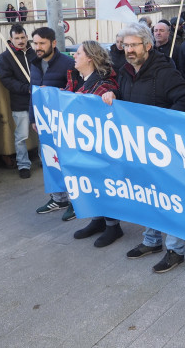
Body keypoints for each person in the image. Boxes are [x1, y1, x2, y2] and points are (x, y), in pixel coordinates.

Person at [102, 22, 185, 273]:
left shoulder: (165, 72)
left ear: (148, 45)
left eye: (134, 45)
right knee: (146, 196)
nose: (129, 50)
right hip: (137, 148)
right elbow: (125, 97)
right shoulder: (124, 70)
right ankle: (152, 241)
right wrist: (113, 95)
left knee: (169, 199)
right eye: (126, 45)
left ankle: (175, 249)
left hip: (163, 149)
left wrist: (162, 125)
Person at [65, 41, 121, 247]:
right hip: (84, 142)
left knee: (102, 182)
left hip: (100, 145)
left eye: (78, 53)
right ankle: (98, 220)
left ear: (90, 58)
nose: (74, 56)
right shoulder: (78, 79)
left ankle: (113, 226)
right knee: (89, 182)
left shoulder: (104, 84)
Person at [30, 27, 76, 220]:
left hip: (63, 123)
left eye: (42, 43)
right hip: (43, 123)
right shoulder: (34, 63)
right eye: (35, 43)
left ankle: (75, 201)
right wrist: (33, 118)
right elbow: (32, 93)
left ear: (53, 43)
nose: (38, 47)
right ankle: (59, 198)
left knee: (68, 162)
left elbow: (75, 93)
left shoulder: (68, 63)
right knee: (48, 160)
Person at [0, 24, 36, 179]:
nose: (20, 41)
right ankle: (23, 165)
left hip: (38, 101)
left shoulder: (35, 54)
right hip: (20, 102)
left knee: (43, 134)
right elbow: (6, 80)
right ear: (11, 40)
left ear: (27, 38)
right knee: (21, 135)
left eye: (23, 37)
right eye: (17, 38)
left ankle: (45, 160)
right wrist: (25, 88)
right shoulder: (6, 57)